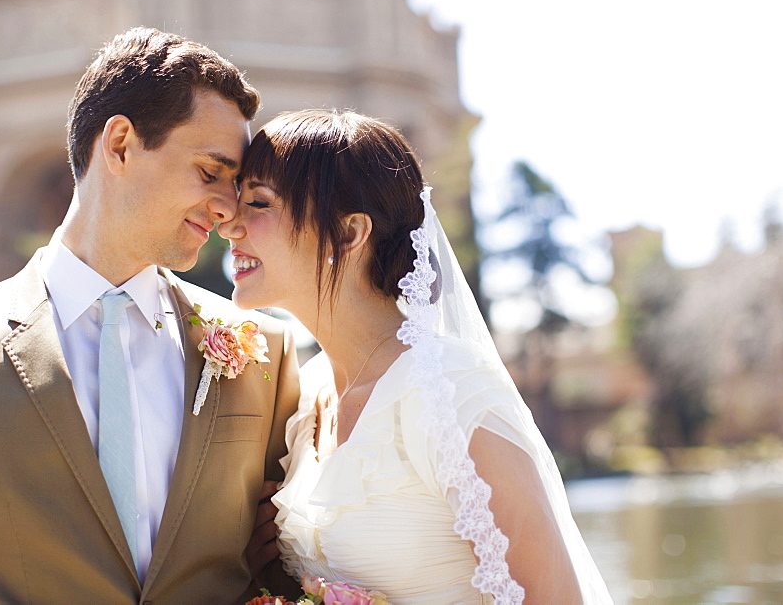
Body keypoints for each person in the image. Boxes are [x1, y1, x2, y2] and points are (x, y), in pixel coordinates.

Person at [0, 27, 300, 603]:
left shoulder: (265, 349)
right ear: (119, 145)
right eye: (210, 172)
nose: (227, 207)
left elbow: (280, 574)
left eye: (235, 185)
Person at [219, 110, 612, 604]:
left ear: (349, 233)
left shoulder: (449, 388)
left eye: (257, 203)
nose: (230, 225)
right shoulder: (306, 395)